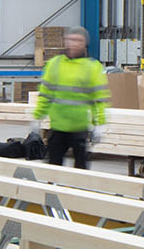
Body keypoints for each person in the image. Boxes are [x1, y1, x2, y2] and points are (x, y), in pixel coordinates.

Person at [33, 27, 107, 169]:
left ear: (85, 43)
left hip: (80, 128)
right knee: (53, 169)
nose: (74, 44)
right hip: (57, 127)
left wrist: (100, 124)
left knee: (80, 171)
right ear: (65, 41)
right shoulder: (54, 64)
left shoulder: (92, 67)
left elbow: (99, 99)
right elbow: (45, 94)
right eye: (71, 39)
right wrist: (38, 116)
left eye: (78, 40)